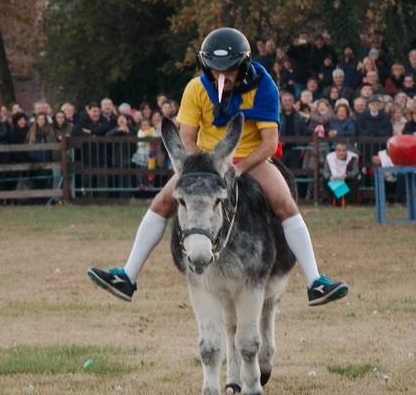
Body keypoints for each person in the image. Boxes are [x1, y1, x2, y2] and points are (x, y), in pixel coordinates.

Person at [87, 27, 348, 306]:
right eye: (214, 70)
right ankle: (128, 276)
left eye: (229, 70)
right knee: (162, 200)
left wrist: (238, 168)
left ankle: (315, 281)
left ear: (243, 66)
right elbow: (187, 137)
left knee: (284, 202)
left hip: (250, 157)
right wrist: (204, 167)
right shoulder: (196, 88)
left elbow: (270, 144)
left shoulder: (264, 86)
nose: (220, 76)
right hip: (204, 160)